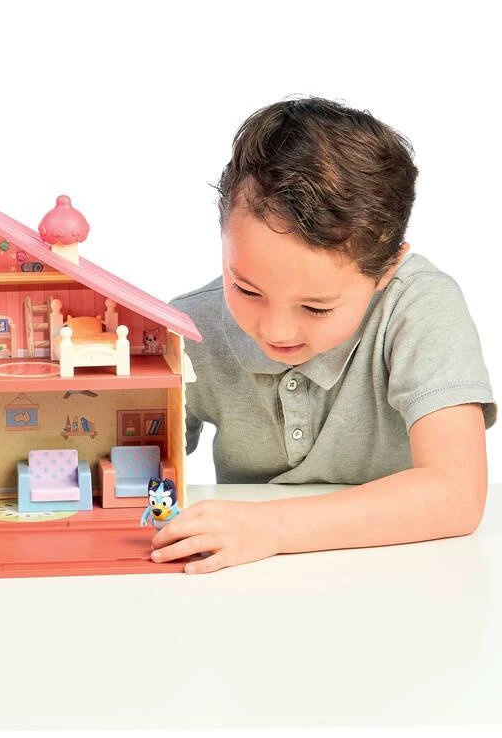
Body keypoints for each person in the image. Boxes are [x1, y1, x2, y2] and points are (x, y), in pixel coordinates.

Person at [156, 97, 495, 574]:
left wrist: (272, 528)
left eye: (316, 307)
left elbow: (456, 493)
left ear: (387, 269)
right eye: (246, 289)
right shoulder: (190, 325)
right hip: (251, 583)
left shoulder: (419, 307)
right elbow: (132, 464)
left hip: (402, 574)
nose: (275, 330)